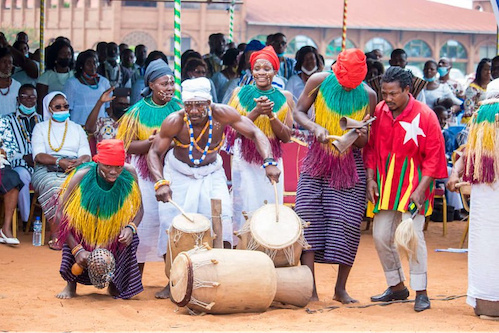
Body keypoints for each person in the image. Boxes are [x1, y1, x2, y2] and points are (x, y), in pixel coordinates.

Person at [147, 77, 281, 298]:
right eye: (189, 104)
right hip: (178, 173)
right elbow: (154, 152)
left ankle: (220, 277)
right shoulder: (174, 121)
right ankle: (174, 280)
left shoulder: (222, 114)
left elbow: (256, 132)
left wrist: (269, 161)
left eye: (200, 104)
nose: (194, 110)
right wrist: (160, 182)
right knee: (172, 226)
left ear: (209, 102)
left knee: (223, 220)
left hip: (212, 173)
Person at [293, 48, 376, 304]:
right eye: (344, 80)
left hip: (350, 166)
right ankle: (311, 289)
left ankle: (340, 289)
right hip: (317, 162)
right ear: (336, 70)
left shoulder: (369, 95)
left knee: (347, 223)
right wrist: (314, 126)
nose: (348, 86)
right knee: (308, 221)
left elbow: (365, 142)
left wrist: (358, 134)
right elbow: (298, 112)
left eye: (354, 83)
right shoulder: (318, 81)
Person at [364, 66, 447, 312]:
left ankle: (421, 291)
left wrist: (422, 190)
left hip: (414, 187)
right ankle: (397, 286)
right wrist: (370, 179)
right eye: (384, 93)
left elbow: (435, 157)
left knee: (412, 237)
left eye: (392, 94)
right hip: (386, 187)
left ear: (407, 90)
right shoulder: (379, 110)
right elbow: (369, 148)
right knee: (380, 236)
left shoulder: (426, 115)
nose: (387, 99)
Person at [116, 59, 182, 280]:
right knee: (144, 226)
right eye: (164, 84)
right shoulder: (136, 111)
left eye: (172, 83)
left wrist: (166, 144)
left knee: (169, 225)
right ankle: (134, 279)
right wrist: (151, 145)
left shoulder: (179, 109)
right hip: (144, 177)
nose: (169, 88)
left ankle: (172, 280)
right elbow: (124, 144)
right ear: (151, 85)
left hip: (172, 174)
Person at [54, 139, 144, 299]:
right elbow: (60, 214)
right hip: (85, 228)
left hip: (112, 228)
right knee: (71, 227)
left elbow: (139, 210)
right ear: (98, 162)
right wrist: (77, 249)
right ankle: (70, 285)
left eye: (118, 166)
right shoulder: (82, 175)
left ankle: (116, 285)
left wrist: (130, 228)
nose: (113, 171)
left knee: (131, 238)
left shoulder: (129, 173)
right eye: (107, 166)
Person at [227, 46, 294, 235]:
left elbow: (287, 137)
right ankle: (243, 246)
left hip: (272, 157)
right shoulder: (239, 93)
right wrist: (256, 112)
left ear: (275, 71)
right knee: (244, 203)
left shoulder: (285, 97)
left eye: (267, 68)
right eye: (257, 68)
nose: (261, 72)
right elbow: (233, 132)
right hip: (245, 158)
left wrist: (272, 116)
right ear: (251, 70)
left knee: (270, 204)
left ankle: (269, 243)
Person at [447, 91, 499, 320]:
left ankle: (487, 305)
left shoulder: (482, 119)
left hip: (484, 196)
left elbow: (467, 152)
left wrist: (455, 172)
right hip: (486, 196)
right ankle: (488, 303)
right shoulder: (485, 121)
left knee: (486, 248)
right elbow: (466, 152)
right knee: (486, 247)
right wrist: (454, 173)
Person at [31, 91, 91, 250]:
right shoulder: (40, 128)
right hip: (47, 169)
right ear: (49, 109)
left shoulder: (77, 128)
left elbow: (86, 154)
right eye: (58, 107)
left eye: (66, 106)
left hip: (75, 167)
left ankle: (83, 234)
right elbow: (38, 155)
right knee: (56, 188)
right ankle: (57, 234)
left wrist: (78, 162)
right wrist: (59, 161)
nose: (63, 109)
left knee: (90, 186)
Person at [1, 84, 41, 230]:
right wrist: (24, 157)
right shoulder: (7, 120)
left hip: (40, 164)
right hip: (18, 164)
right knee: (21, 176)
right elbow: (5, 149)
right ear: (18, 99)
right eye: (25, 96)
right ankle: (26, 220)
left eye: (33, 97)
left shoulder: (42, 121)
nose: (29, 100)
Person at [63, 50, 112, 126]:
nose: (93, 66)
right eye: (88, 63)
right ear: (81, 65)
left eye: (95, 63)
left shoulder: (104, 82)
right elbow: (67, 108)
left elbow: (108, 107)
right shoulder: (72, 83)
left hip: (100, 126)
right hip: (79, 125)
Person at [0, 112, 23, 245]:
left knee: (13, 178)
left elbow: (12, 149)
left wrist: (4, 151)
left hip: (1, 165)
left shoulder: (2, 123)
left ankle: (5, 229)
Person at [36, 40, 75, 110]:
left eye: (69, 53)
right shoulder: (46, 76)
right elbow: (41, 102)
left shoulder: (75, 74)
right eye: (63, 53)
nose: (67, 56)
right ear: (55, 56)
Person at [463, 58, 491, 123]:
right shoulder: (472, 89)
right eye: (485, 69)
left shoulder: (494, 86)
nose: (488, 72)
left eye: (490, 69)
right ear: (480, 70)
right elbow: (468, 109)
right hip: (477, 122)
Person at [0, 47, 22, 116]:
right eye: (4, 62)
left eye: (10, 63)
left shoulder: (17, 85)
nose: (7, 66)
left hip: (12, 124)